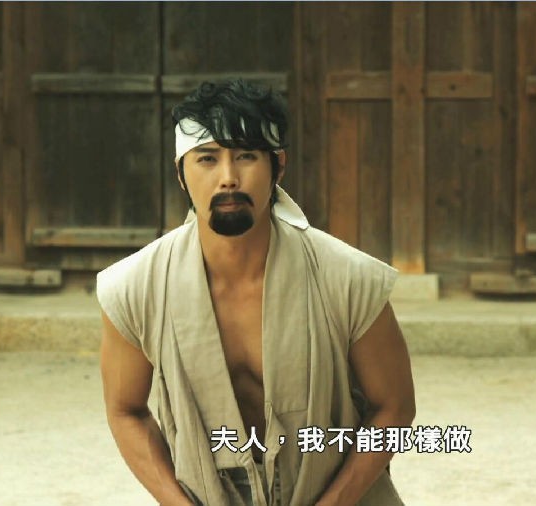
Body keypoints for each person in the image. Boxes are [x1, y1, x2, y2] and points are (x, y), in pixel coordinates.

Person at [97, 78, 416, 506]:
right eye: (207, 159)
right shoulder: (134, 287)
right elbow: (125, 411)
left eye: (246, 156)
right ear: (181, 173)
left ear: (278, 166)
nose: (228, 178)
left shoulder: (348, 277)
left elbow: (395, 408)